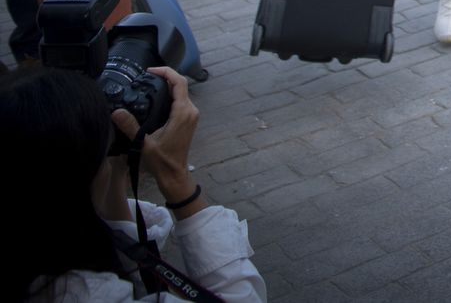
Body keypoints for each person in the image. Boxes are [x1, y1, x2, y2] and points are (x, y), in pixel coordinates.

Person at [2, 65, 267, 301]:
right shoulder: (88, 294)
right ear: (73, 190)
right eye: (101, 157)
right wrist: (176, 179)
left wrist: (117, 169)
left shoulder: (36, 252)